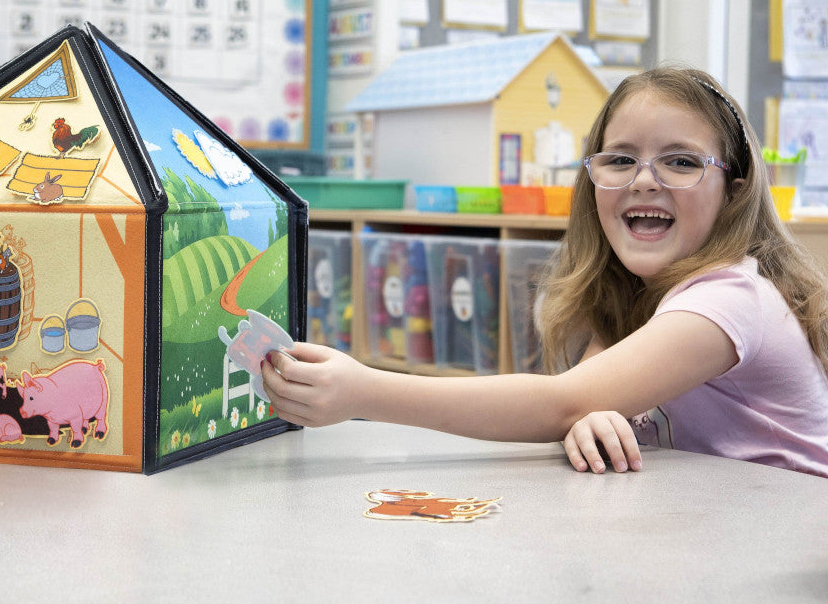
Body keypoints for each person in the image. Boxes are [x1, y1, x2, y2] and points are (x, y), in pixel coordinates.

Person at [261, 67, 828, 478]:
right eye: (620, 158)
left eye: (681, 161)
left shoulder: (731, 298)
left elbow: (561, 401)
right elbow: (589, 406)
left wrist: (365, 391)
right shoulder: (633, 295)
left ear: (734, 192)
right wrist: (593, 421)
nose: (644, 179)